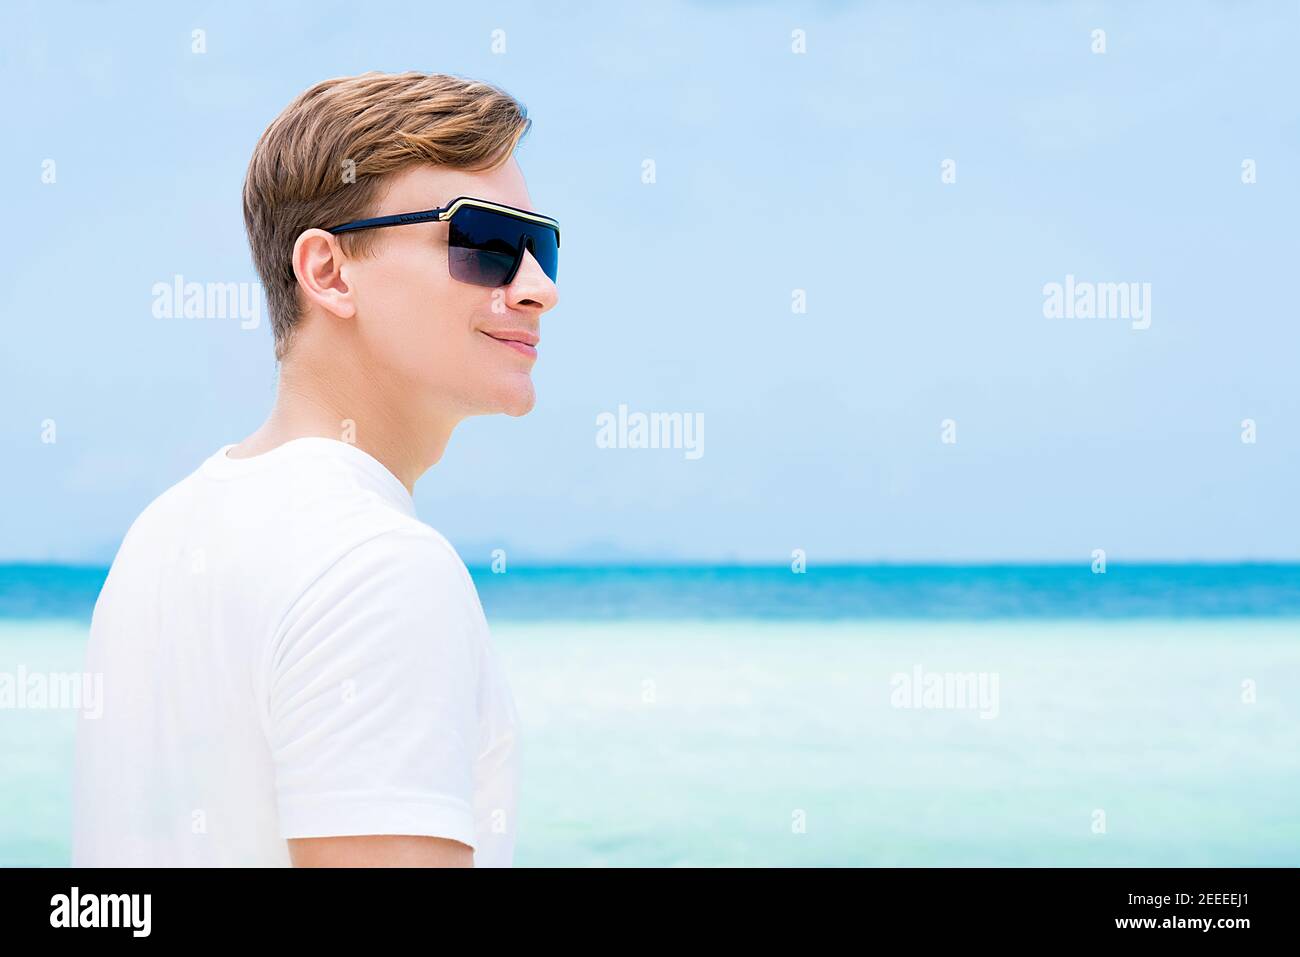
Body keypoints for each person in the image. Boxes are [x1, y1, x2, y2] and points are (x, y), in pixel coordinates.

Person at [71, 71, 560, 867]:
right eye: (489, 245)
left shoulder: (161, 536)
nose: (537, 287)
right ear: (329, 271)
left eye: (541, 247)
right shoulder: (380, 566)